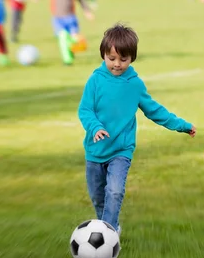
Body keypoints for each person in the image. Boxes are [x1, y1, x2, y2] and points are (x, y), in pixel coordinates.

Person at [78, 24, 196, 235]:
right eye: (111, 58)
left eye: (123, 59)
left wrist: (182, 125)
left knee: (114, 191)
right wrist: (95, 127)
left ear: (132, 58)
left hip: (121, 151)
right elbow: (85, 110)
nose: (116, 64)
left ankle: (109, 232)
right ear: (103, 55)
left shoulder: (135, 85)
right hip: (95, 150)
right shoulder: (95, 81)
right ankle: (108, 224)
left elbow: (155, 111)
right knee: (97, 196)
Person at [46, 0, 94, 65]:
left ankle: (71, 50)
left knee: (74, 39)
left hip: (71, 17)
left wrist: (86, 11)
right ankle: (67, 60)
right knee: (63, 37)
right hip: (58, 18)